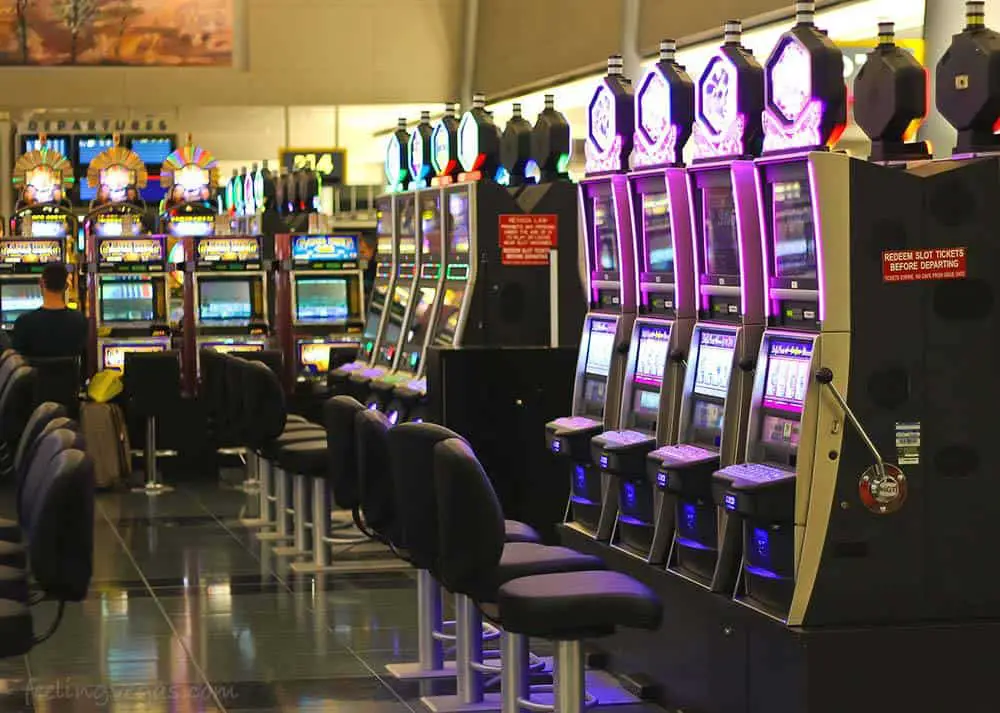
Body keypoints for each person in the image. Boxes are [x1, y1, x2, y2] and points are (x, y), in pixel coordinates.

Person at [12, 263, 87, 361]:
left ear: (41, 283)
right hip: (68, 376)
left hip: (34, 376)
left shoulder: (24, 322)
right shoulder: (80, 320)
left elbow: (16, 361)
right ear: (66, 286)